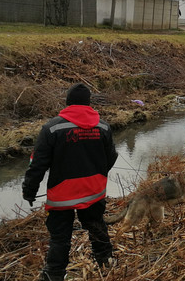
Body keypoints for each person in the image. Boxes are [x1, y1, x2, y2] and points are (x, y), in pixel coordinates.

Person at [22, 83, 118, 281]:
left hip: (62, 196)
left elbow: (38, 165)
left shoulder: (52, 128)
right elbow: (112, 157)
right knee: (97, 227)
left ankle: (54, 275)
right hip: (94, 191)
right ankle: (107, 264)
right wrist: (99, 174)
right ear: (88, 103)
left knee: (60, 238)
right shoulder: (104, 126)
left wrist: (29, 191)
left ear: (68, 102)